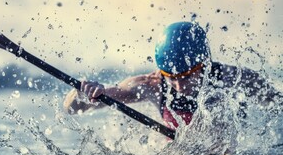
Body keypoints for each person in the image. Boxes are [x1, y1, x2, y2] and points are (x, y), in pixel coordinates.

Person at [63, 21, 280, 135]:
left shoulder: (235, 78)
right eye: (170, 76)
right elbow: (73, 109)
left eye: (185, 76)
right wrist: (82, 94)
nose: (177, 84)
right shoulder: (153, 85)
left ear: (203, 65)